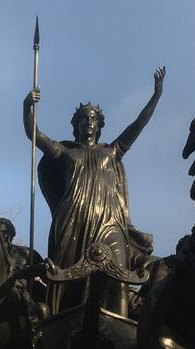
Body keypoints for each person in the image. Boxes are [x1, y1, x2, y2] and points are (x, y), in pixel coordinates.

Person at [23, 67, 165, 316]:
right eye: (83, 119)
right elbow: (34, 135)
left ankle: (118, 321)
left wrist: (156, 95)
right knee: (68, 279)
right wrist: (28, 107)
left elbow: (137, 125)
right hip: (72, 223)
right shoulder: (66, 153)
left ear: (99, 126)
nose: (88, 122)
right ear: (75, 125)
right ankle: (63, 320)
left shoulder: (111, 152)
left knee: (118, 277)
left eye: (92, 119)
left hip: (109, 223)